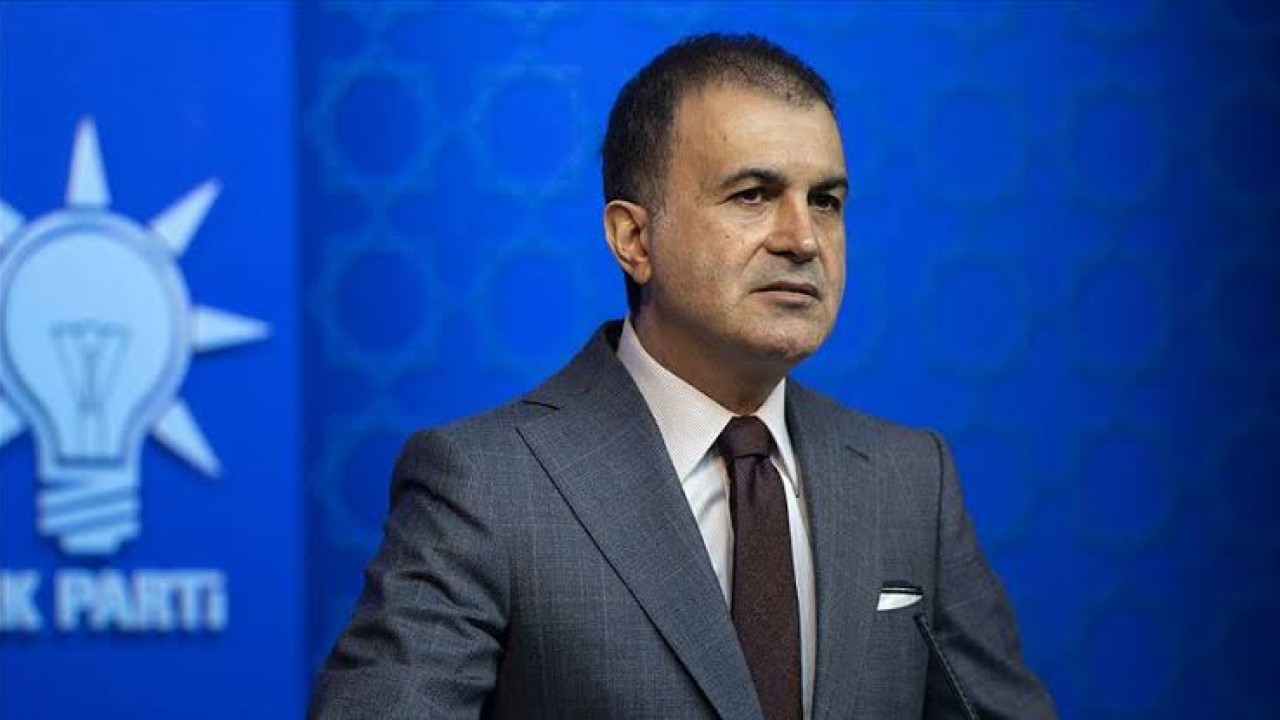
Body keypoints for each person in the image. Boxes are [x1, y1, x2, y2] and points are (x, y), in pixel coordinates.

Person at [310, 33, 1055, 719]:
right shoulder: (485, 486)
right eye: (753, 195)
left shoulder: (910, 479)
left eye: (825, 201)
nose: (803, 239)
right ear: (634, 239)